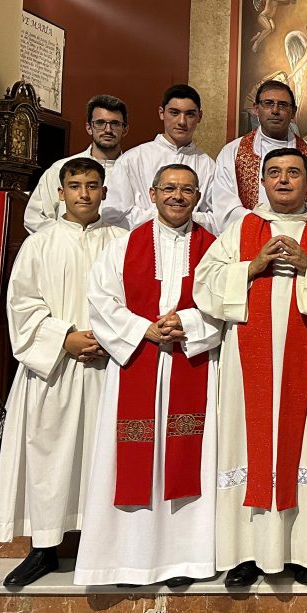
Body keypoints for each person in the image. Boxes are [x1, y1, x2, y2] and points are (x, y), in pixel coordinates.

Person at [194, 147, 307, 587]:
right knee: (247, 445)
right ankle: (246, 553)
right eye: (274, 173)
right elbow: (205, 285)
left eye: (293, 173)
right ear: (262, 183)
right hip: (248, 361)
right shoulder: (241, 228)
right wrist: (252, 267)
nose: (283, 180)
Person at [76, 163, 222, 587]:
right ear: (153, 193)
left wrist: (190, 325)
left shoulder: (214, 247)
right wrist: (144, 328)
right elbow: (101, 299)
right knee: (132, 460)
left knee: (188, 459)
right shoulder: (125, 245)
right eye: (170, 188)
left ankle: (185, 560)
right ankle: (128, 559)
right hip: (136, 363)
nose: (178, 196)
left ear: (198, 197)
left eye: (188, 190)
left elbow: (228, 304)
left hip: (192, 364)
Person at [0, 158, 126, 587]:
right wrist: (64, 336)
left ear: (105, 192)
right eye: (74, 185)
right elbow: (22, 304)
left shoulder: (123, 240)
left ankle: (109, 545)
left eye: (92, 185)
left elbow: (138, 299)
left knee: (106, 459)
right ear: (60, 193)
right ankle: (44, 547)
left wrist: (112, 337)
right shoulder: (40, 244)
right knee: (51, 457)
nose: (84, 194)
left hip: (110, 366)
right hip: (56, 369)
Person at [209, 81, 307, 232]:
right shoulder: (232, 152)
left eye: (282, 105)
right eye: (268, 103)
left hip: (299, 239)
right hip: (248, 241)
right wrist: (268, 230)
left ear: (293, 112)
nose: (275, 110)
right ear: (256, 109)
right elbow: (226, 208)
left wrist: (289, 229)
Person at [104, 85, 217, 230]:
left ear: (199, 116)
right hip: (141, 244)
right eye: (174, 113)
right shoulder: (131, 159)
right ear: (161, 113)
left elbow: (217, 219)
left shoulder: (208, 165)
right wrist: (169, 217)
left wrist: (182, 217)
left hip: (191, 245)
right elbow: (114, 215)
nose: (182, 121)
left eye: (189, 114)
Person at [25, 95, 128, 233]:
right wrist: (70, 238)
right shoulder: (61, 168)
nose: (108, 130)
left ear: (125, 129)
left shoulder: (134, 170)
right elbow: (35, 217)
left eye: (115, 123)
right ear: (89, 127)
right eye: (100, 123)